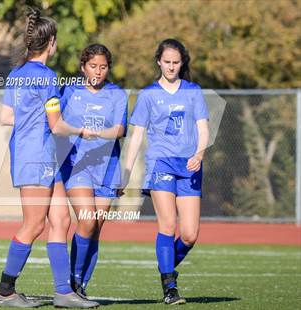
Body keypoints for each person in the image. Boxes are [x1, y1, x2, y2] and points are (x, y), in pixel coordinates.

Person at [0, 7, 99, 308]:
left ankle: (63, 292)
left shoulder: (15, 75)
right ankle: (5, 290)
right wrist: (82, 131)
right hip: (37, 156)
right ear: (50, 42)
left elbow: (5, 116)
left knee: (61, 219)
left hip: (38, 155)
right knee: (34, 224)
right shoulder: (48, 77)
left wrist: (32, 117)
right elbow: (56, 125)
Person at [121, 38, 209, 305]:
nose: (171, 67)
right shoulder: (148, 94)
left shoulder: (193, 91)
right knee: (168, 224)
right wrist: (125, 173)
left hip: (190, 164)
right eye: (167, 62)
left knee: (190, 234)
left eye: (176, 62)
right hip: (161, 163)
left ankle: (167, 265)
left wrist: (200, 153)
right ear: (159, 61)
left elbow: (203, 129)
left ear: (182, 64)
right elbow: (136, 137)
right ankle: (169, 285)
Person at [54, 44, 128, 298]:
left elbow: (119, 130)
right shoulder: (69, 91)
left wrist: (96, 133)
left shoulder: (117, 95)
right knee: (86, 219)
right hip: (77, 165)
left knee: (96, 226)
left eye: (103, 67)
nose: (98, 71)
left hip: (108, 167)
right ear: (83, 67)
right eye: (93, 66)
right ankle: (73, 281)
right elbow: (56, 124)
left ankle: (82, 285)